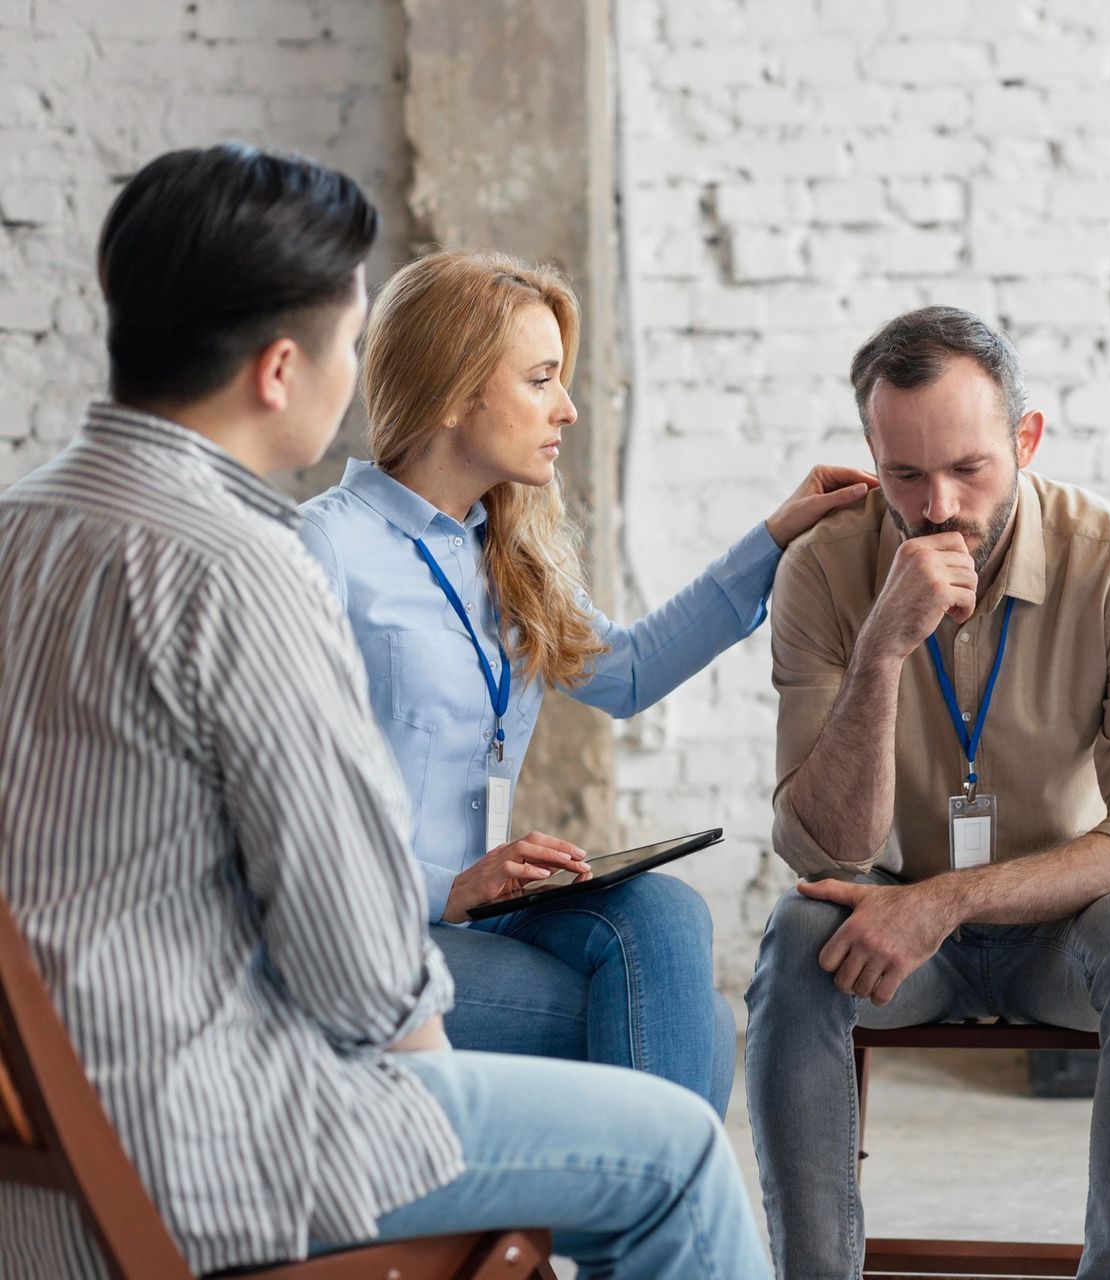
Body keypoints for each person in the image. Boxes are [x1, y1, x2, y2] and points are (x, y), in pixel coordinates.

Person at [0, 143, 767, 1280]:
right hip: (222, 1134)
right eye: (351, 346)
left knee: (657, 955)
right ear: (277, 369)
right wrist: (444, 1084)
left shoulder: (19, 527)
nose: (358, 378)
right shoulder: (248, 568)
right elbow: (361, 972)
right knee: (681, 1146)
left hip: (50, 1149)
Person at [298, 248, 873, 1116]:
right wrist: (444, 888)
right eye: (540, 380)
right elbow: (275, 809)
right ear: (453, 391)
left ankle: (631, 1234)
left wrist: (774, 540)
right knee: (702, 1033)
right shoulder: (321, 550)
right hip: (360, 929)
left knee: (668, 913)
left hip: (479, 909)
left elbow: (629, 670)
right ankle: (646, 1241)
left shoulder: (501, 552)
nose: (566, 408)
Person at [745, 306, 1110, 1279]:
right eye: (905, 475)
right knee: (794, 934)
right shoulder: (823, 570)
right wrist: (880, 653)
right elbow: (826, 850)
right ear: (874, 455)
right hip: (899, 946)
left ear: (1026, 440)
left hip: (1064, 931)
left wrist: (944, 900)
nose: (939, 506)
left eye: (970, 468)